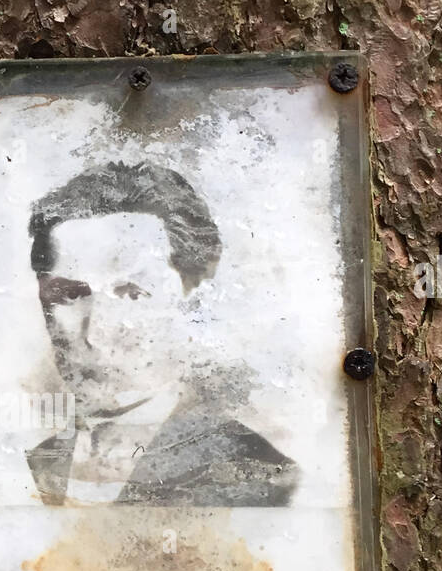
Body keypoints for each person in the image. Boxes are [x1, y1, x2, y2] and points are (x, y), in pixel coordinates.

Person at [24, 160, 298, 507]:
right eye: (68, 295)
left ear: (190, 296)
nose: (96, 332)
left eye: (133, 293)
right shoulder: (31, 469)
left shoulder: (265, 481)